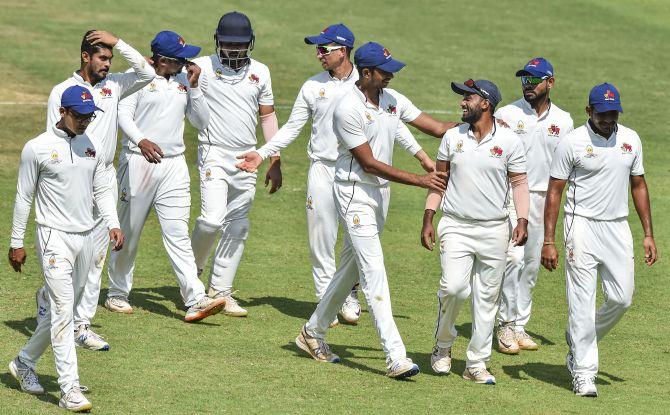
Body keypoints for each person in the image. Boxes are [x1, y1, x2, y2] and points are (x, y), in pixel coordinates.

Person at [235, 23, 434, 326]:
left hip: (363, 174)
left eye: (323, 49)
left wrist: (420, 155)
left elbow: (394, 122)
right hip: (323, 169)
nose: (318, 55)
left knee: (357, 242)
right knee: (321, 237)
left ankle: (348, 293)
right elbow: (292, 127)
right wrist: (264, 154)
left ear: (343, 51)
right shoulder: (313, 87)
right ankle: (325, 303)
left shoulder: (368, 80)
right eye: (317, 49)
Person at [295, 42, 458, 379]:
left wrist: (483, 121)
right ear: (366, 73)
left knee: (350, 270)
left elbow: (437, 128)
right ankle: (395, 356)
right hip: (354, 191)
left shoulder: (391, 99)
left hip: (380, 195)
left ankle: (312, 333)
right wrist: (421, 179)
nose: (390, 76)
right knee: (374, 271)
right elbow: (368, 164)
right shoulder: (346, 108)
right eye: (385, 72)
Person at [8, 86, 123, 412]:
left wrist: (113, 223)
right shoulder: (37, 148)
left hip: (86, 236)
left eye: (89, 116)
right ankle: (69, 389)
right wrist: (16, 242)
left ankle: (24, 362)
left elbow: (101, 189)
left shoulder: (92, 144)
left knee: (65, 310)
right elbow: (23, 197)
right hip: (53, 237)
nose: (85, 122)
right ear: (63, 112)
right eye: (79, 116)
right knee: (63, 315)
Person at [541, 83, 657, 397]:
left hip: (618, 227)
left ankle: (578, 339)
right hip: (581, 227)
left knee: (622, 298)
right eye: (602, 113)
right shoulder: (572, 142)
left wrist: (648, 234)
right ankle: (583, 373)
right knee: (581, 302)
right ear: (589, 110)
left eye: (613, 113)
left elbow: (639, 186)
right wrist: (548, 240)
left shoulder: (630, 139)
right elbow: (555, 191)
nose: (608, 119)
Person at [43, 30, 155, 350]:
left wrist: (117, 41)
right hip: (74, 180)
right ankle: (57, 320)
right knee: (69, 258)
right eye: (102, 58)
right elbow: (54, 140)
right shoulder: (62, 91)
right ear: (85, 57)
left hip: (104, 175)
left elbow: (146, 72)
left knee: (95, 258)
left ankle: (82, 325)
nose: (107, 64)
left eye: (110, 59)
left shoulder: (114, 85)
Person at [105, 31, 226, 321]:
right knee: (129, 232)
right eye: (180, 59)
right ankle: (117, 292)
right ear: (162, 60)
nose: (186, 63)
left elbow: (202, 122)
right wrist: (141, 141)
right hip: (138, 162)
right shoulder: (138, 78)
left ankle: (195, 298)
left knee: (178, 234)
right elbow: (123, 115)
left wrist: (195, 89)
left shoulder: (186, 80)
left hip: (174, 165)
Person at [421, 79, 529, 384]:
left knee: (487, 298)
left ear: (486, 103)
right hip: (455, 225)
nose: (462, 102)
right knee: (454, 288)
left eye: (467, 98)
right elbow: (439, 179)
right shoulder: (452, 137)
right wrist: (429, 216)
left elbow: (520, 183)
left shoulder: (509, 141)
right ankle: (443, 345)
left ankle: (476, 363)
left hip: (495, 228)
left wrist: (522, 220)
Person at [189, 11, 282, 317]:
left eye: (239, 44)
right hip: (213, 151)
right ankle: (192, 277)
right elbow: (168, 69)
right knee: (211, 220)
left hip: (247, 156)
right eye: (228, 43)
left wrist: (274, 157)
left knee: (238, 225)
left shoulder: (261, 72)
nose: (233, 50)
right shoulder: (202, 66)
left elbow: (266, 116)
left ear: (249, 43)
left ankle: (221, 291)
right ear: (217, 41)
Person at [494, 58, 574, 354]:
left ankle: (519, 326)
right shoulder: (507, 113)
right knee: (513, 260)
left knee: (530, 266)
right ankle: (504, 324)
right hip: (512, 196)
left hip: (544, 198)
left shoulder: (564, 121)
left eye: (534, 80)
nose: (527, 85)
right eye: (524, 80)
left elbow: (565, 167)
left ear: (550, 83)